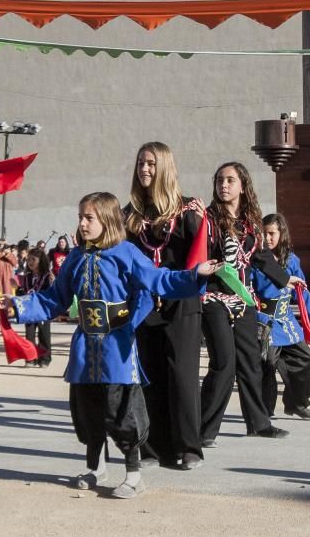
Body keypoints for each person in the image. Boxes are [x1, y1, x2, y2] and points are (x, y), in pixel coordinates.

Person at [0, 192, 216, 499]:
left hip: (117, 347)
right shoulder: (75, 257)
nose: (82, 224)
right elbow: (53, 298)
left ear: (109, 220)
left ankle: (133, 474)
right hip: (85, 348)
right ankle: (95, 467)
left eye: (89, 218)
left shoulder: (126, 253)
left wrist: (195, 275)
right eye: (80, 218)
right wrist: (18, 305)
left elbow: (158, 280)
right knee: (88, 411)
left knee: (121, 410)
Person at [200, 163, 297, 445]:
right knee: (223, 364)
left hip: (244, 299)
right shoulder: (207, 220)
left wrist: (285, 279)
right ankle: (204, 431)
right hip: (214, 298)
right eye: (219, 180)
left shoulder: (251, 222)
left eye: (230, 180)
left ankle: (258, 423)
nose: (224, 185)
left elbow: (262, 257)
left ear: (243, 185)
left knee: (251, 363)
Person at [123, 142, 206, 470]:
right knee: (150, 376)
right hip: (145, 306)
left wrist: (174, 287)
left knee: (182, 377)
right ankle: (154, 447)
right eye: (141, 163)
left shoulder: (189, 210)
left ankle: (190, 447)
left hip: (181, 303)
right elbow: (124, 261)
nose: (144, 169)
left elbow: (199, 258)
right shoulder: (129, 216)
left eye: (151, 164)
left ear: (165, 168)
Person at [254, 213, 310, 420]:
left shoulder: (291, 259)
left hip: (286, 321)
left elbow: (301, 289)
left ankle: (297, 404)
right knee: (267, 366)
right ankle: (264, 410)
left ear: (282, 234)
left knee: (304, 358)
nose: (268, 238)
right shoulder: (255, 259)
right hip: (264, 320)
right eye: (264, 233)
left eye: (272, 233)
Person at [23, 247, 54, 368]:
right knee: (29, 334)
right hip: (29, 309)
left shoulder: (47, 276)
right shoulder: (27, 276)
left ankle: (45, 358)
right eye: (28, 259)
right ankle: (30, 358)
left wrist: (53, 282)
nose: (30, 262)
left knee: (44, 334)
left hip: (43, 309)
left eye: (33, 259)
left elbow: (51, 291)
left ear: (40, 260)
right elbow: (24, 292)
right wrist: (18, 287)